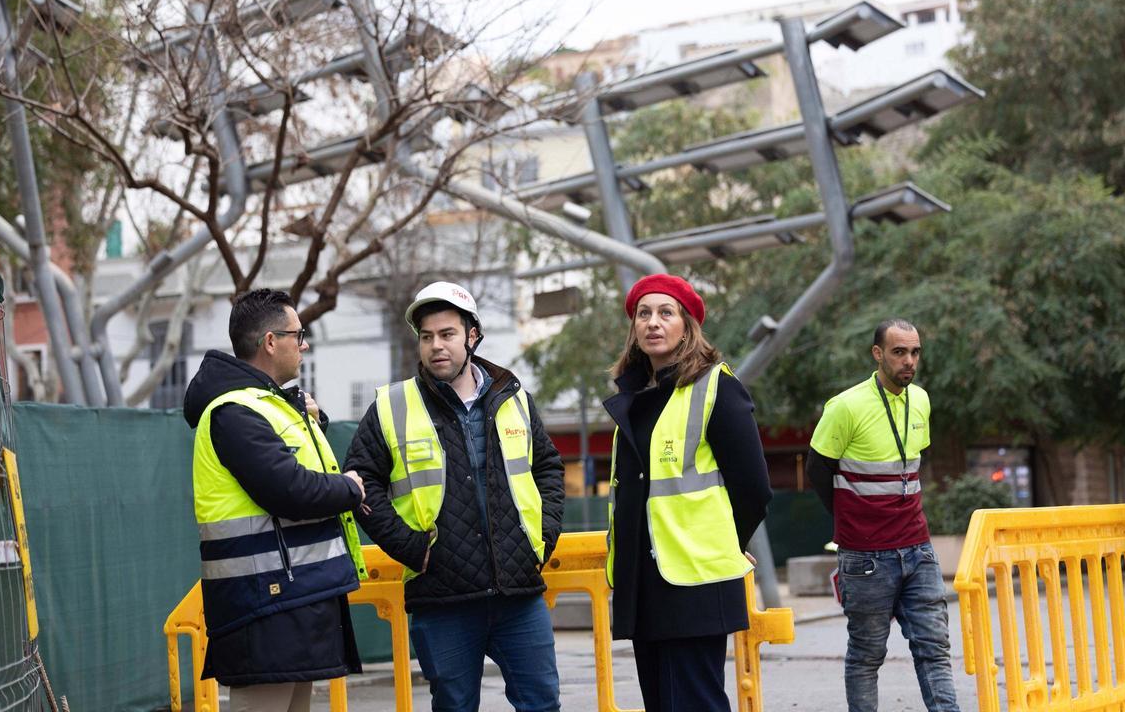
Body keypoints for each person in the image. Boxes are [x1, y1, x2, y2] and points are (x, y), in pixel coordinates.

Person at [344, 281, 565, 712]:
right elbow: (360, 480)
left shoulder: (514, 398)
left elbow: (549, 468)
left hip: (518, 592)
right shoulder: (393, 406)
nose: (435, 346)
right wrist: (408, 547)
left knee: (542, 704)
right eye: (427, 337)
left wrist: (543, 534)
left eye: (447, 334)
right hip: (442, 595)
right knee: (454, 706)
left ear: (472, 336)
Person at [184, 288, 368, 712]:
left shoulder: (271, 405)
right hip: (262, 604)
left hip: (291, 596)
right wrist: (351, 489)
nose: (303, 345)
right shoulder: (234, 412)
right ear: (270, 342)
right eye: (297, 335)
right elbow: (291, 490)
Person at [603, 274, 772, 712]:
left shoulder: (716, 386)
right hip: (644, 580)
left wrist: (729, 542)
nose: (652, 323)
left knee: (695, 703)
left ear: (687, 326)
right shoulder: (635, 399)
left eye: (666, 313)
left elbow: (753, 486)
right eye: (644, 314)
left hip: (694, 581)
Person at [807, 318, 959, 712]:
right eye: (899, 352)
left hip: (918, 548)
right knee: (866, 655)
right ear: (878, 354)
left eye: (915, 352)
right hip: (865, 556)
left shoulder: (921, 400)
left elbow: (910, 466)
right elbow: (817, 469)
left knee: (935, 648)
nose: (909, 361)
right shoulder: (846, 406)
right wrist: (850, 521)